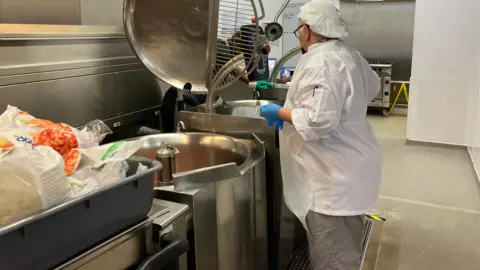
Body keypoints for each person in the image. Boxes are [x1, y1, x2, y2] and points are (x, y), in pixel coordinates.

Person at [259, 0, 382, 269]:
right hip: (349, 166)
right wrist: (296, 86)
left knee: (333, 260)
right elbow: (369, 87)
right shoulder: (347, 53)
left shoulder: (322, 60)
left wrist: (280, 113)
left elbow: (318, 121)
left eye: (298, 28)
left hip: (333, 180)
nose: (298, 34)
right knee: (341, 251)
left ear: (309, 30)